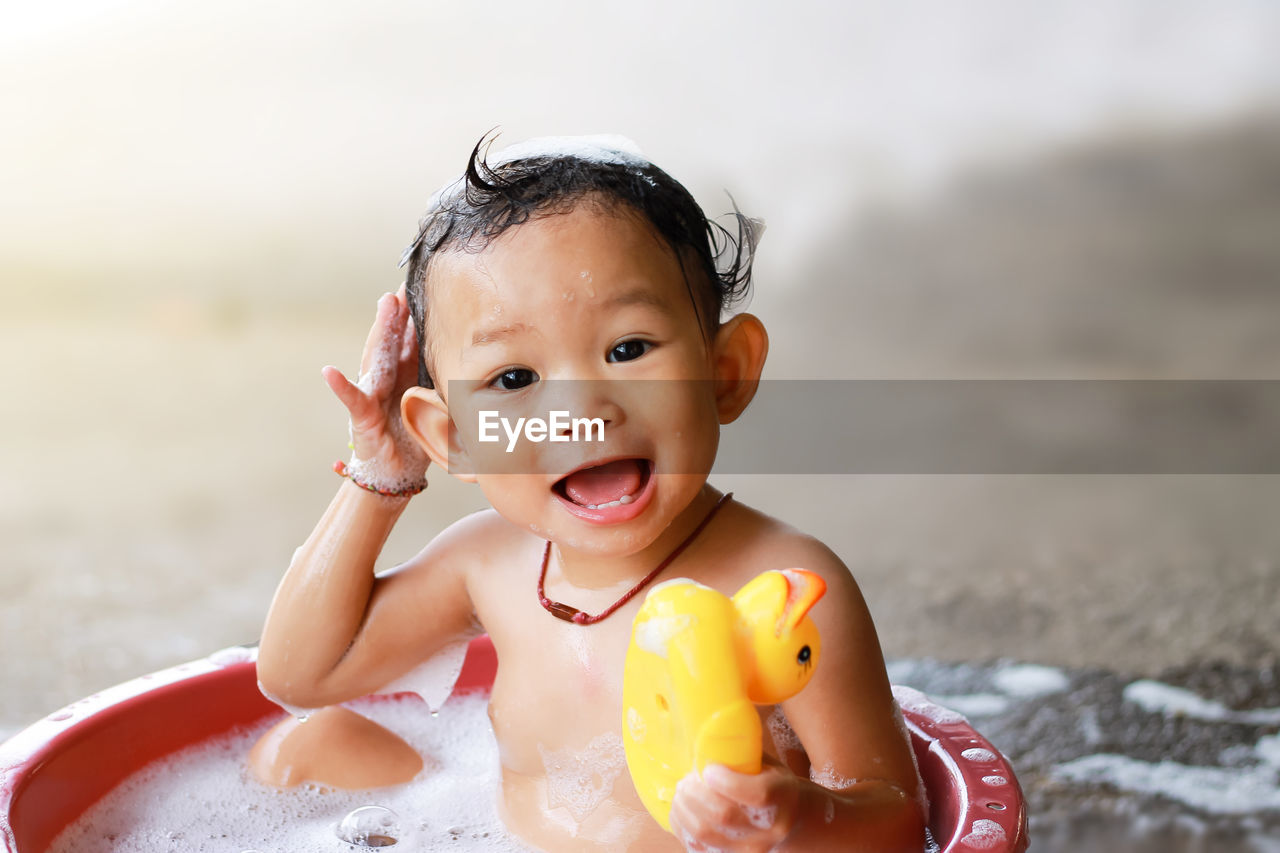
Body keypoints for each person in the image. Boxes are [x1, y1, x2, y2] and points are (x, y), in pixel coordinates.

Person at [253, 134, 926, 852]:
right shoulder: (489, 562)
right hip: (493, 834)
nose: (582, 410)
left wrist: (791, 817)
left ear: (725, 371)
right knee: (303, 746)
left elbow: (895, 816)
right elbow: (300, 672)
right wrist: (381, 475)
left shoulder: (785, 589)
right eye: (514, 379)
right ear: (453, 438)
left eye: (628, 348)